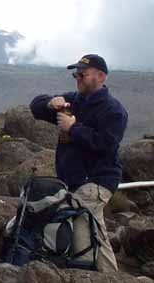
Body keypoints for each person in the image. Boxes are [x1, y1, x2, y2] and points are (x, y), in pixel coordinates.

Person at [30, 54, 128, 272]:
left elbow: (106, 144)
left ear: (100, 77)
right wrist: (49, 102)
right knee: (92, 229)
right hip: (74, 181)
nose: (78, 79)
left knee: (73, 220)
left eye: (83, 74)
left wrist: (73, 129)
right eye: (76, 74)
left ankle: (89, 273)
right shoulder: (72, 101)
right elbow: (35, 108)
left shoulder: (114, 110)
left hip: (98, 181)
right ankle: (106, 274)